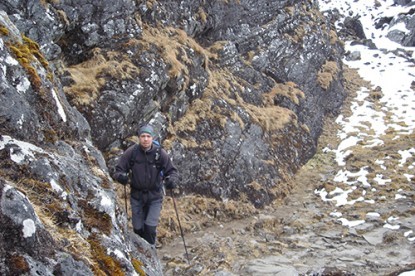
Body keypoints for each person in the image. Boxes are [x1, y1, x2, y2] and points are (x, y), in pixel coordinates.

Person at [113, 124, 178, 246]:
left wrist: (171, 180)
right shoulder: (131, 153)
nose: (146, 139)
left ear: (152, 138)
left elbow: (172, 171)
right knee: (138, 229)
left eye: (148, 136)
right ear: (139, 138)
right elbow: (118, 170)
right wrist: (121, 177)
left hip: (155, 196)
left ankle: (151, 256)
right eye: (143, 136)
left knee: (150, 228)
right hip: (136, 196)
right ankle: (142, 257)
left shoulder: (160, 153)